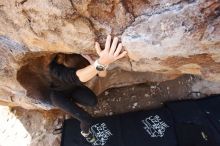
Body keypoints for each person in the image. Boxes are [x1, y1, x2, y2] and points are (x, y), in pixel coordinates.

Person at [48, 35, 127, 143]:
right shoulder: (55, 69)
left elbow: (102, 74)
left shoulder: (84, 58)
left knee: (93, 101)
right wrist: (101, 63)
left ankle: (72, 104)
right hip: (59, 95)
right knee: (86, 119)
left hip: (74, 88)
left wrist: (99, 62)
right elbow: (78, 76)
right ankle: (85, 133)